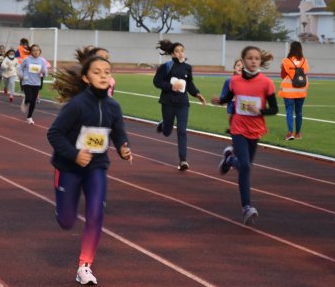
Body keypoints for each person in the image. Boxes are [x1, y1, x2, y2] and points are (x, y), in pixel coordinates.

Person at [47, 55, 132, 285]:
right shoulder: (76, 106)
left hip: (96, 168)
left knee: (96, 214)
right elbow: (54, 134)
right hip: (69, 167)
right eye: (97, 72)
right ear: (85, 78)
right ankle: (62, 210)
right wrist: (75, 154)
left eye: (107, 71)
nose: (104, 75)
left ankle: (84, 266)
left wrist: (124, 147)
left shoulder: (114, 106)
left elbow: (118, 132)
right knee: (66, 221)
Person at [211, 46, 278, 225]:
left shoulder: (267, 83)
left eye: (257, 58)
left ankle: (228, 160)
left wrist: (260, 110)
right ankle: (246, 207)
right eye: (250, 58)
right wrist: (220, 100)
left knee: (244, 166)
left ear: (260, 61)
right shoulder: (235, 81)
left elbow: (275, 109)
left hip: (255, 129)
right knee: (246, 167)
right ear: (243, 60)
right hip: (238, 128)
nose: (254, 61)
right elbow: (228, 98)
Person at [153, 39, 207, 171]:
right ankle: (164, 124)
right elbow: (157, 82)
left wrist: (198, 94)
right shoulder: (166, 67)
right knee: (167, 132)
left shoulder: (188, 68)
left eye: (182, 50)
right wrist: (171, 86)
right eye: (177, 51)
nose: (180, 53)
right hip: (168, 102)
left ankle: (183, 160)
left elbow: (189, 85)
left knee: (182, 130)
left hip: (183, 103)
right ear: (172, 54)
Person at [278, 41, 310, 140]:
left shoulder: (286, 61)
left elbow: (283, 75)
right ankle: (298, 134)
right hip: (301, 90)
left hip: (288, 91)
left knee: (289, 111)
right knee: (299, 112)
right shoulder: (304, 61)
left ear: (290, 49)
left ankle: (290, 133)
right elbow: (305, 73)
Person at [18, 44, 47, 124]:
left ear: (39, 51)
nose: (35, 52)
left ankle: (29, 117)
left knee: (33, 101)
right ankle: (26, 101)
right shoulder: (27, 59)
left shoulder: (42, 61)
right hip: (26, 81)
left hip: (36, 82)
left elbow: (45, 72)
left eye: (37, 50)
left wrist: (44, 72)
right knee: (29, 97)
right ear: (31, 52)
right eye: (33, 50)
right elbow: (20, 68)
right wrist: (21, 75)